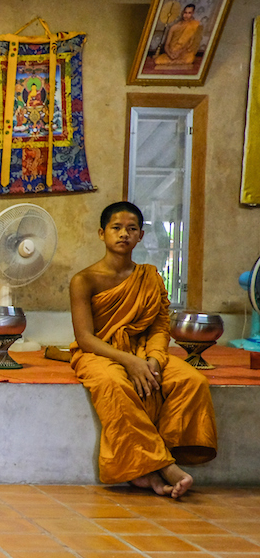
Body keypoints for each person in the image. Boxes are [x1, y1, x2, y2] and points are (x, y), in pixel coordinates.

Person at [69, 201, 217, 498]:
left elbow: (159, 328)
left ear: (141, 236)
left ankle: (157, 460)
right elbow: (85, 338)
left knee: (192, 381)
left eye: (131, 229)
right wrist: (129, 362)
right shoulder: (84, 280)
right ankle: (162, 466)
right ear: (102, 233)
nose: (124, 234)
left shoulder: (150, 277)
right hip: (100, 353)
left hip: (144, 350)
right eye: (116, 228)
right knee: (114, 384)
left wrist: (152, 359)